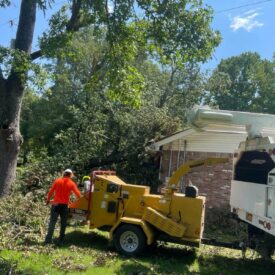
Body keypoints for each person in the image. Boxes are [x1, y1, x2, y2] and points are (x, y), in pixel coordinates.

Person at [45, 168, 81, 244]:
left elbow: (51, 192)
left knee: (52, 222)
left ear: (64, 173)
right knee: (63, 223)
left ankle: (48, 240)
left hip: (55, 204)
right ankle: (61, 240)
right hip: (64, 206)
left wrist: (48, 200)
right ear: (71, 175)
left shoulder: (57, 181)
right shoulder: (71, 183)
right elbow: (78, 195)